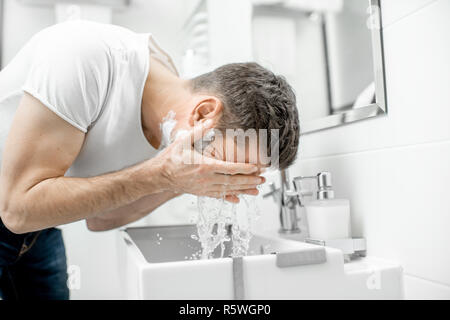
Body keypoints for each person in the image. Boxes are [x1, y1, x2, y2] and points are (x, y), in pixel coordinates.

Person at [0, 20, 299, 299]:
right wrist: (162, 175)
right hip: (17, 205)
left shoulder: (173, 123)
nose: (222, 175)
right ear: (204, 114)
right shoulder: (85, 60)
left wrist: (183, 182)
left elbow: (101, 218)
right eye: (225, 164)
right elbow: (15, 209)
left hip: (37, 227)